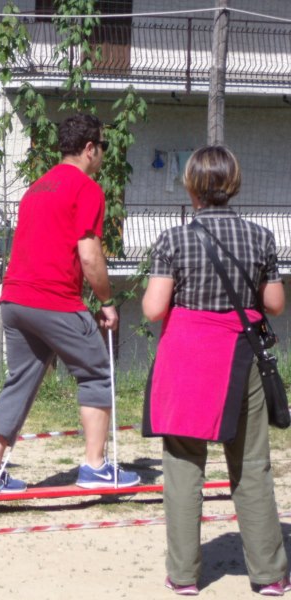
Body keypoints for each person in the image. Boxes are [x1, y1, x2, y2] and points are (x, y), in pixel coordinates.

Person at [142, 145, 289, 596]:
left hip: (187, 359)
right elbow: (275, 305)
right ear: (234, 184)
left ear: (192, 187)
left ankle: (184, 575)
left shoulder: (174, 240)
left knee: (184, 464)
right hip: (240, 356)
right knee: (250, 465)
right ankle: (269, 574)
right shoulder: (262, 238)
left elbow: (151, 309)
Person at [0, 113, 141, 491]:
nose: (102, 154)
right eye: (101, 147)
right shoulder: (86, 188)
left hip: (14, 299)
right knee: (97, 371)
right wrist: (107, 300)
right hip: (52, 300)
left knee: (20, 379)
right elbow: (89, 256)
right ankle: (95, 466)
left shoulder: (36, 188)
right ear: (89, 148)